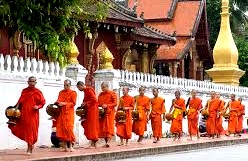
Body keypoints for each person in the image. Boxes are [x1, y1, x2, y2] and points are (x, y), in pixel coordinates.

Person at [8, 76, 46, 154]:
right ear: (28, 82)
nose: (32, 83)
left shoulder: (37, 92)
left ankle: (30, 147)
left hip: (33, 114)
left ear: (35, 83)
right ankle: (29, 146)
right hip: (24, 113)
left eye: (33, 81)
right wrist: (15, 109)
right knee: (24, 130)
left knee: (31, 131)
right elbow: (20, 101)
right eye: (30, 81)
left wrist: (37, 106)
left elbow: (42, 102)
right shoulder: (24, 91)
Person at [55, 79, 77, 152]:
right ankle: (65, 147)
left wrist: (64, 104)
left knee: (69, 129)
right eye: (64, 85)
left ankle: (70, 146)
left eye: (67, 85)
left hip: (69, 113)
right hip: (61, 113)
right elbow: (58, 100)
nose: (65, 86)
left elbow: (73, 103)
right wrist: (57, 103)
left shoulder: (73, 93)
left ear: (70, 85)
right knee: (62, 129)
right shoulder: (61, 92)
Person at [76, 81, 99, 148]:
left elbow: (95, 100)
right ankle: (93, 143)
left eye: (78, 88)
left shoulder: (88, 90)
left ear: (81, 85)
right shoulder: (86, 91)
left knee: (92, 127)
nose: (79, 89)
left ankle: (93, 144)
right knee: (90, 126)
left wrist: (86, 103)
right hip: (90, 111)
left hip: (92, 111)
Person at [98, 82, 117, 148]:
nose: (102, 89)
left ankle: (108, 142)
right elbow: (98, 103)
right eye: (101, 87)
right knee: (103, 128)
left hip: (110, 112)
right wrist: (100, 106)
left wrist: (107, 105)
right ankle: (106, 142)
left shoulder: (112, 93)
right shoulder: (101, 94)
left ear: (107, 87)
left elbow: (115, 103)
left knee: (109, 127)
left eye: (103, 87)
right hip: (102, 112)